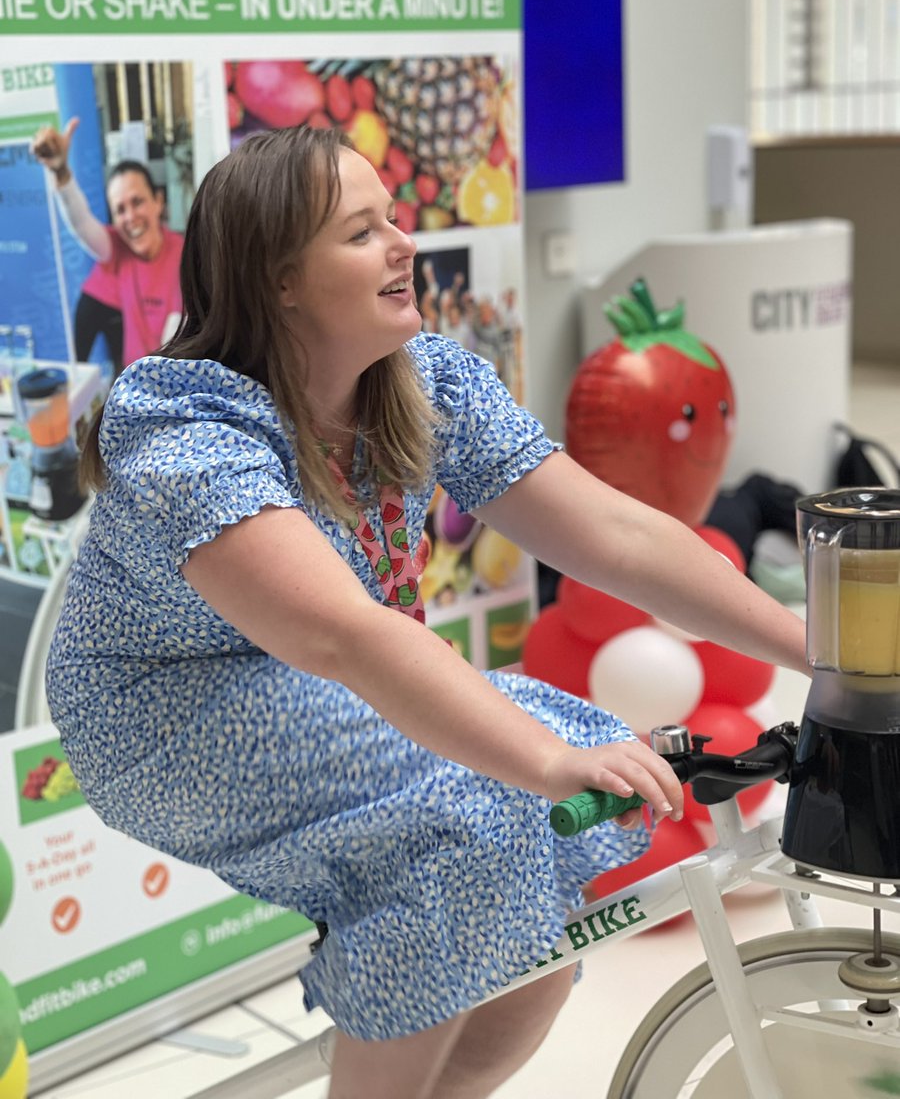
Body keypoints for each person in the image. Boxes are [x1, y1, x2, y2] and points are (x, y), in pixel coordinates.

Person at [45, 125, 808, 1099]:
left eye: (394, 219)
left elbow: (615, 534)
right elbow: (339, 632)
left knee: (539, 844)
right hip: (169, 717)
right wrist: (541, 760)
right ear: (278, 280)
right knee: (479, 807)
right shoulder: (187, 422)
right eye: (363, 232)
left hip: (322, 683)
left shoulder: (420, 380)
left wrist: (819, 647)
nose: (406, 243)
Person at [31, 117, 184, 375]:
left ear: (159, 201)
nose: (130, 217)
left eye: (138, 202)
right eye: (119, 210)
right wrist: (60, 172)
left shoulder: (187, 254)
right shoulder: (116, 247)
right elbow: (81, 222)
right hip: (132, 383)